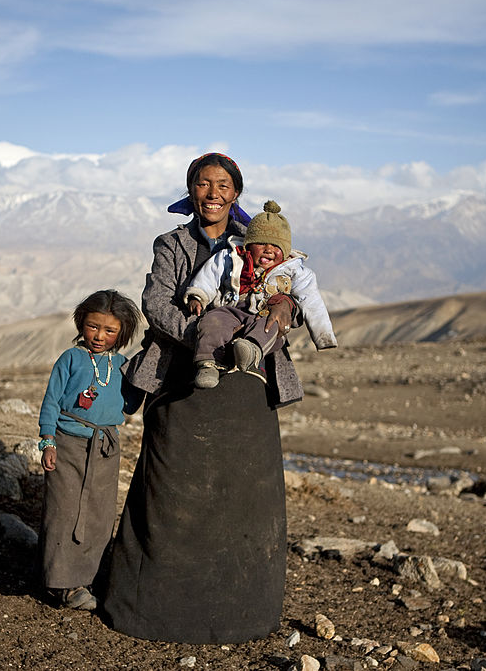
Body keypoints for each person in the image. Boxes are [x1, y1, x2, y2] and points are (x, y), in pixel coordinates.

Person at [99, 153, 297, 644]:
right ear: (191, 192)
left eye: (223, 185)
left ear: (236, 194)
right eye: (203, 184)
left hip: (246, 383)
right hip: (179, 374)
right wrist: (206, 340)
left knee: (242, 493)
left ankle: (242, 609)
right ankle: (152, 609)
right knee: (168, 490)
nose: (213, 193)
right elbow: (155, 302)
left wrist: (272, 319)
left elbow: (283, 294)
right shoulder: (170, 244)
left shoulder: (259, 245)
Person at [37, 289, 142, 611]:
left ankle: (87, 579)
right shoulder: (70, 359)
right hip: (68, 444)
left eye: (110, 331)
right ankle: (61, 585)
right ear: (81, 323)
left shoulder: (123, 364)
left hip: (106, 449)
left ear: (121, 333)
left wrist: (142, 377)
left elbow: (130, 407)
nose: (99, 336)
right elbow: (51, 401)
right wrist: (47, 441)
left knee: (98, 515)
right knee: (63, 512)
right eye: (93, 327)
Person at [185, 199, 337, 388]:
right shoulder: (231, 257)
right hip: (231, 309)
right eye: (261, 243)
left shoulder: (295, 271)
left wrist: (323, 336)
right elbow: (209, 276)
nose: (269, 250)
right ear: (249, 243)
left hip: (265, 314)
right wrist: (198, 296)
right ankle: (207, 364)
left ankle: (251, 351)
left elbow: (312, 301)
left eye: (276, 246)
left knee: (270, 326)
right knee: (213, 321)